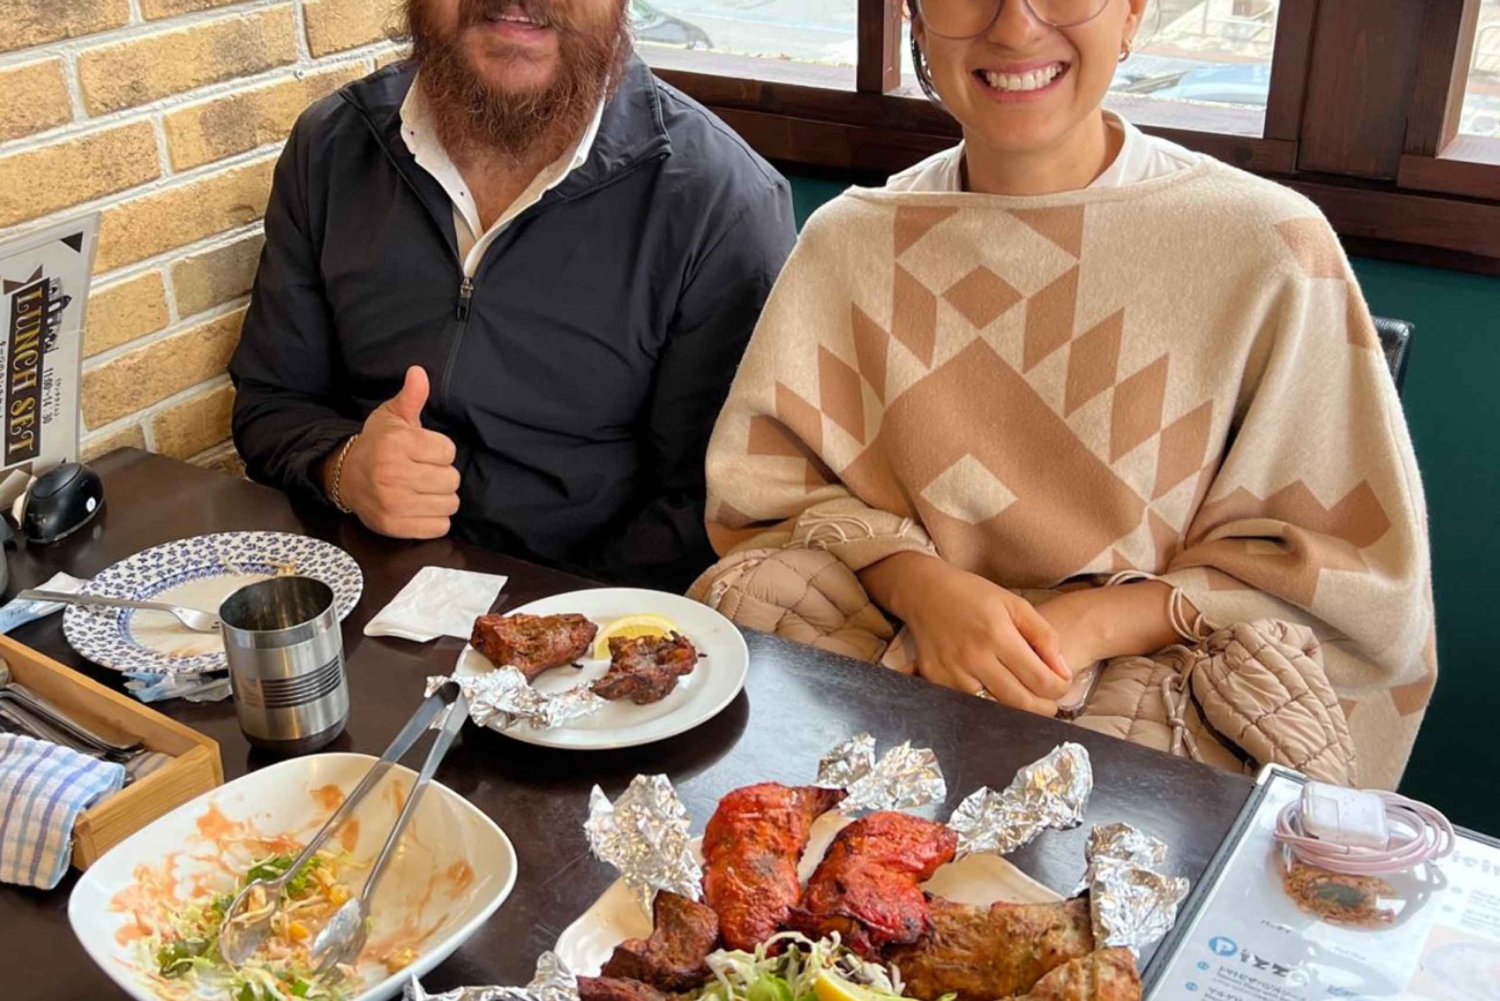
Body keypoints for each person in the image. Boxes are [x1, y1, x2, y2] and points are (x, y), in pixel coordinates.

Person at [689, 0, 1436, 788]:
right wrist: (922, 585)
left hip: (1157, 742)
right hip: (886, 698)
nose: (1015, 26)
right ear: (915, 21)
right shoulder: (847, 243)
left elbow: (1358, 581)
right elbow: (765, 498)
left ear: (1132, 14)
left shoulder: (1272, 250)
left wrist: (1089, 621)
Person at [230, 0, 796, 590]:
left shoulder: (722, 205)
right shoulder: (330, 147)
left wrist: (530, 620)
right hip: (358, 591)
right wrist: (343, 467)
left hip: (593, 614)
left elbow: (711, 505)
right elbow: (270, 401)